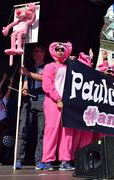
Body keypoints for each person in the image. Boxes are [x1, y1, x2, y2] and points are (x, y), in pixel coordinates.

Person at [42, 41, 76, 171]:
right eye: (58, 49)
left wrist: (74, 62)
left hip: (67, 104)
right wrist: (57, 99)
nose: (60, 51)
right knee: (52, 130)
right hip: (53, 102)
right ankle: (48, 160)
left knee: (67, 132)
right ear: (53, 51)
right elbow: (47, 85)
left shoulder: (70, 68)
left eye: (63, 49)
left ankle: (65, 160)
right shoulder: (50, 66)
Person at [15, 45, 46, 170]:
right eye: (34, 51)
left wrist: (28, 73)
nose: (35, 53)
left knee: (42, 132)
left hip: (42, 101)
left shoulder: (47, 67)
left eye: (38, 51)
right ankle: (18, 159)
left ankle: (39, 160)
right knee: (22, 129)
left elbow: (44, 78)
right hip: (29, 101)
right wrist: (24, 88)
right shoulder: (28, 68)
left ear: (43, 54)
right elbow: (26, 81)